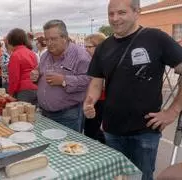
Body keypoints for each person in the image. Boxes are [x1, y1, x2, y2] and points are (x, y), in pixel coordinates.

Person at [83, 0, 182, 179]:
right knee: (115, 177)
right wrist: (89, 102)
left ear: (137, 12)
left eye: (121, 13)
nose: (115, 18)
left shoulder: (156, 38)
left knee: (142, 177)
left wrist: (173, 111)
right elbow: (96, 83)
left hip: (145, 131)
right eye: (111, 14)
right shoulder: (104, 47)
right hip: (112, 130)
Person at [30, 19, 91, 132]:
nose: (49, 43)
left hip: (67, 115)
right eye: (47, 39)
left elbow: (88, 80)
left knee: (66, 147)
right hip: (45, 113)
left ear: (65, 38)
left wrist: (64, 80)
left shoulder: (81, 55)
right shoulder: (45, 55)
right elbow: (39, 71)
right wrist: (36, 75)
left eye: (53, 39)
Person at [83, 33, 107, 143]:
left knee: (99, 132)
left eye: (89, 47)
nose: (86, 49)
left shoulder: (105, 61)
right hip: (90, 101)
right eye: (85, 46)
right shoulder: (91, 60)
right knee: (89, 131)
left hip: (102, 102)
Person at [7, 28, 38, 104]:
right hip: (35, 87)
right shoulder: (31, 53)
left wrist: (10, 93)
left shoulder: (15, 55)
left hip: (24, 90)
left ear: (11, 41)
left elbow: (14, 77)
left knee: (21, 113)